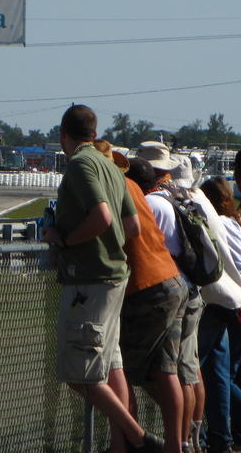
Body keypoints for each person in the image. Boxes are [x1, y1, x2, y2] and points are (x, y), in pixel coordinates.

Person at [43, 106, 164, 453]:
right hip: (114, 277)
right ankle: (120, 445)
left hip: (89, 280)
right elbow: (132, 226)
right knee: (112, 367)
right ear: (94, 133)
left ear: (63, 134)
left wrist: (65, 239)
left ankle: (138, 438)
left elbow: (103, 216)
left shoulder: (81, 164)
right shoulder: (111, 165)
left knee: (78, 372)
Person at [96, 150, 187, 453]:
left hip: (145, 286)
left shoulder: (109, 187)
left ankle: (126, 442)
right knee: (166, 370)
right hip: (171, 279)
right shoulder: (133, 186)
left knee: (117, 369)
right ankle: (177, 445)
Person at [134, 142, 205, 453]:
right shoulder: (175, 197)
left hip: (167, 290)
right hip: (189, 287)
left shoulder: (152, 203)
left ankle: (177, 440)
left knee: (167, 371)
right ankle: (188, 441)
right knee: (187, 371)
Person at [197, 177, 241, 453]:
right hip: (234, 300)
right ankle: (221, 437)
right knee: (222, 372)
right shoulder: (234, 223)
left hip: (224, 301)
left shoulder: (216, 224)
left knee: (212, 371)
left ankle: (208, 435)